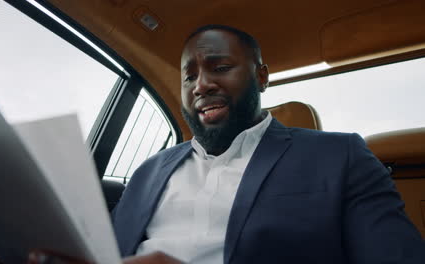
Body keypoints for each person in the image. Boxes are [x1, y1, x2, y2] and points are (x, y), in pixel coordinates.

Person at [112, 25, 425, 263]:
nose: (202, 85)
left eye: (220, 68)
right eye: (189, 77)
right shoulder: (148, 171)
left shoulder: (340, 156)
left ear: (261, 77)